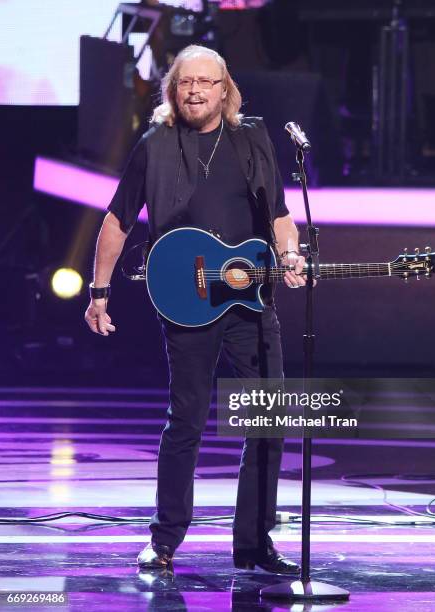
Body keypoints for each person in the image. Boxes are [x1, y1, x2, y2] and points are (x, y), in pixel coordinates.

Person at [84, 44, 306, 574]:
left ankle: (254, 543)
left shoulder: (251, 138)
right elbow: (117, 220)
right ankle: (163, 540)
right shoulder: (155, 145)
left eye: (206, 82)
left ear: (224, 89)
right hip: (186, 300)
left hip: (250, 302)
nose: (195, 91)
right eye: (186, 83)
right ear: (173, 89)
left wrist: (291, 254)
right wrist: (98, 291)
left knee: (267, 420)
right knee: (185, 421)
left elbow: (277, 214)